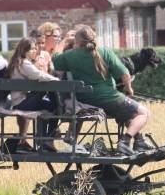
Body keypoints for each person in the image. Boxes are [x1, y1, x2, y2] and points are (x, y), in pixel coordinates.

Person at [53, 26, 154, 155]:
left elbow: (54, 60)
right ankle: (125, 142)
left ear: (77, 41)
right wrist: (129, 89)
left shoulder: (70, 55)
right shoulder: (104, 52)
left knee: (126, 112)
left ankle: (139, 141)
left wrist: (63, 42)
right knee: (143, 113)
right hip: (108, 98)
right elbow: (125, 75)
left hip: (85, 100)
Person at [7, 37, 60, 150]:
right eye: (32, 49)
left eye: (35, 49)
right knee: (55, 104)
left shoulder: (17, 62)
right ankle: (50, 136)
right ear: (24, 50)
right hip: (22, 103)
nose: (35, 51)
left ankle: (50, 134)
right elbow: (39, 75)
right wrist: (57, 81)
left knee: (51, 102)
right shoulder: (24, 63)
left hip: (20, 101)